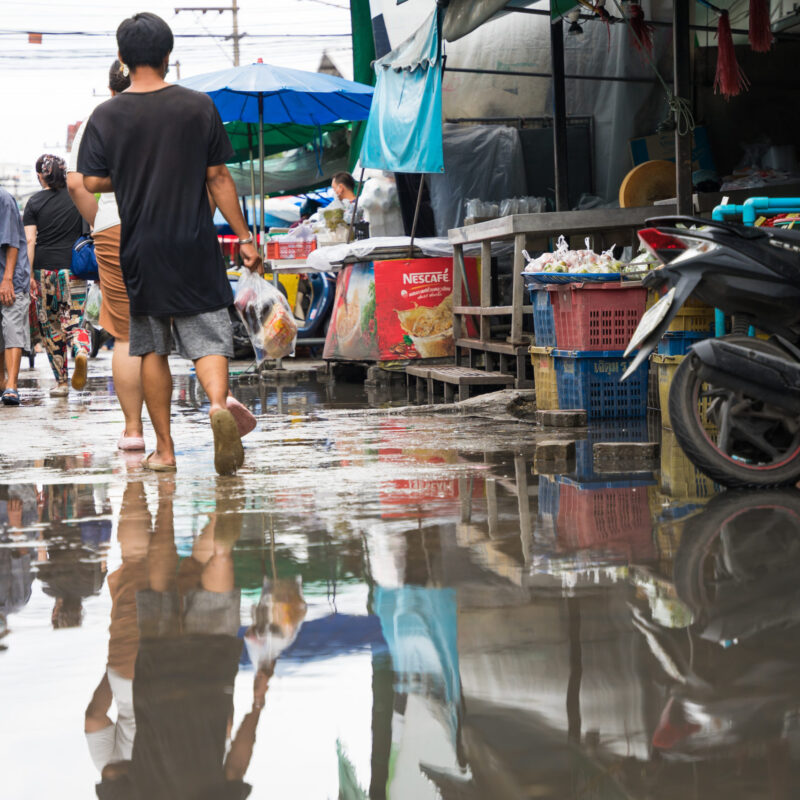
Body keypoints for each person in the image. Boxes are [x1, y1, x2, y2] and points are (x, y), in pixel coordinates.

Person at [78, 12, 262, 475]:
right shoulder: (198, 106)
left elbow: (93, 180)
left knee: (152, 348)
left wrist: (127, 168)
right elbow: (218, 176)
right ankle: (219, 405)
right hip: (195, 243)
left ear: (122, 58)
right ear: (168, 55)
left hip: (142, 248)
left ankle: (165, 450)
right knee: (208, 338)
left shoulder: (107, 114)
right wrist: (243, 237)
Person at [67, 61, 146, 451]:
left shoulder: (94, 121)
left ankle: (133, 431)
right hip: (165, 224)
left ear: (110, 85)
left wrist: (99, 220)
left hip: (113, 225)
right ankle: (208, 406)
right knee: (165, 326)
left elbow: (74, 181)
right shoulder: (168, 108)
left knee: (127, 335)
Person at [23, 154, 90, 396]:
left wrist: (29, 274)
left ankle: (61, 383)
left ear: (41, 175)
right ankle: (81, 348)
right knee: (72, 320)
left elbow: (30, 240)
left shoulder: (34, 203)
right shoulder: (77, 198)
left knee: (50, 327)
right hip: (72, 271)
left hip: (44, 273)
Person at [0, 187, 34, 406]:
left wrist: (8, 279)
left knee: (12, 329)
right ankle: (1, 383)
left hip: (10, 278)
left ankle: (12, 385)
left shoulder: (4, 200)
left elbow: (13, 242)